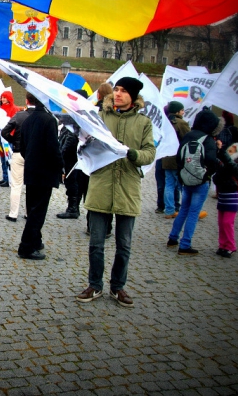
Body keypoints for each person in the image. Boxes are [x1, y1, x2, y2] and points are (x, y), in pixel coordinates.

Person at [77, 77, 155, 308]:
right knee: (96, 244)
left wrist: (133, 154)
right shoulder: (100, 118)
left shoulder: (143, 123)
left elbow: (150, 153)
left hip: (128, 187)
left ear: (133, 96)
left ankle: (118, 287)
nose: (117, 94)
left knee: (124, 245)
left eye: (123, 91)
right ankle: (95, 284)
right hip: (101, 185)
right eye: (116, 90)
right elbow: (84, 143)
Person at [167, 108, 224, 254]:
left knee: (184, 209)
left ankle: (173, 238)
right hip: (200, 180)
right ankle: (185, 244)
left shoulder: (189, 135)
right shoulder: (208, 139)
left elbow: (179, 156)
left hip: (186, 178)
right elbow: (211, 161)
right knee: (193, 212)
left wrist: (183, 174)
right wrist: (208, 173)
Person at [17, 93, 63, 260]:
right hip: (44, 172)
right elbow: (53, 148)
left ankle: (35, 240)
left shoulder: (28, 120)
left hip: (31, 170)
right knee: (38, 211)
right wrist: (60, 166)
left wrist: (31, 159)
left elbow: (22, 147)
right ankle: (26, 246)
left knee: (33, 208)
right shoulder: (49, 120)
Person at [57, 90, 90, 220]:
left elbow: (71, 137)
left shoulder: (78, 115)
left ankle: (73, 208)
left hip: (73, 154)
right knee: (75, 181)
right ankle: (73, 207)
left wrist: (61, 153)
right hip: (75, 153)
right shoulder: (78, 114)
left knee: (72, 180)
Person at [213, 142, 238, 257]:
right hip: (223, 195)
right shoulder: (224, 164)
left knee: (227, 222)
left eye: (231, 151)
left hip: (231, 196)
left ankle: (231, 246)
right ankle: (222, 244)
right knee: (221, 222)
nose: (229, 153)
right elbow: (216, 177)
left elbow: (229, 163)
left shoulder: (237, 166)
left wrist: (221, 151)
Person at [0, 98, 31, 222]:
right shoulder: (42, 117)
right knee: (30, 185)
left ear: (27, 101)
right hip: (33, 155)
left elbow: (5, 132)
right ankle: (28, 212)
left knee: (16, 185)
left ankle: (13, 213)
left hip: (18, 152)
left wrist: (13, 141)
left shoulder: (19, 115)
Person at [162, 101, 189, 219]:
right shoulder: (181, 123)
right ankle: (187, 210)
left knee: (169, 184)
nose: (183, 112)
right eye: (182, 110)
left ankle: (169, 210)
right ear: (178, 111)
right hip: (178, 158)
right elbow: (188, 139)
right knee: (183, 185)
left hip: (166, 157)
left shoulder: (164, 122)